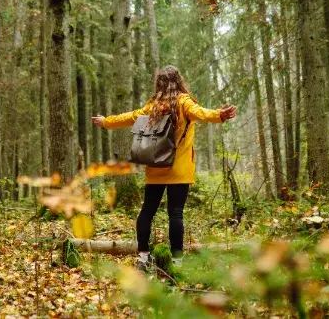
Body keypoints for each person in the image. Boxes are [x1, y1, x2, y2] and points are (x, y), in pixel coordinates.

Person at [92, 66, 237, 272]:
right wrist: (219, 115)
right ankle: (177, 262)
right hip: (179, 169)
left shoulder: (153, 106)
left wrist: (106, 121)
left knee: (147, 212)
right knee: (175, 214)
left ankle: (143, 258)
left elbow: (130, 117)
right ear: (179, 81)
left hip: (156, 166)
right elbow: (201, 113)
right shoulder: (184, 102)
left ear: (159, 84)